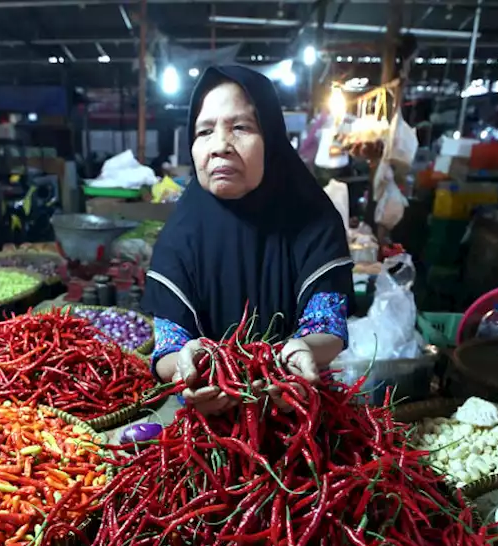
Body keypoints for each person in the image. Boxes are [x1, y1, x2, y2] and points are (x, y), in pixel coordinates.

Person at [143, 66, 353, 414]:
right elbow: (168, 345)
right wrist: (185, 370)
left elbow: (327, 324)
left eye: (240, 127)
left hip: (301, 413)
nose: (220, 146)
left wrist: (302, 351)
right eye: (205, 131)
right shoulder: (178, 237)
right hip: (212, 430)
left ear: (271, 138)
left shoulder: (314, 219)